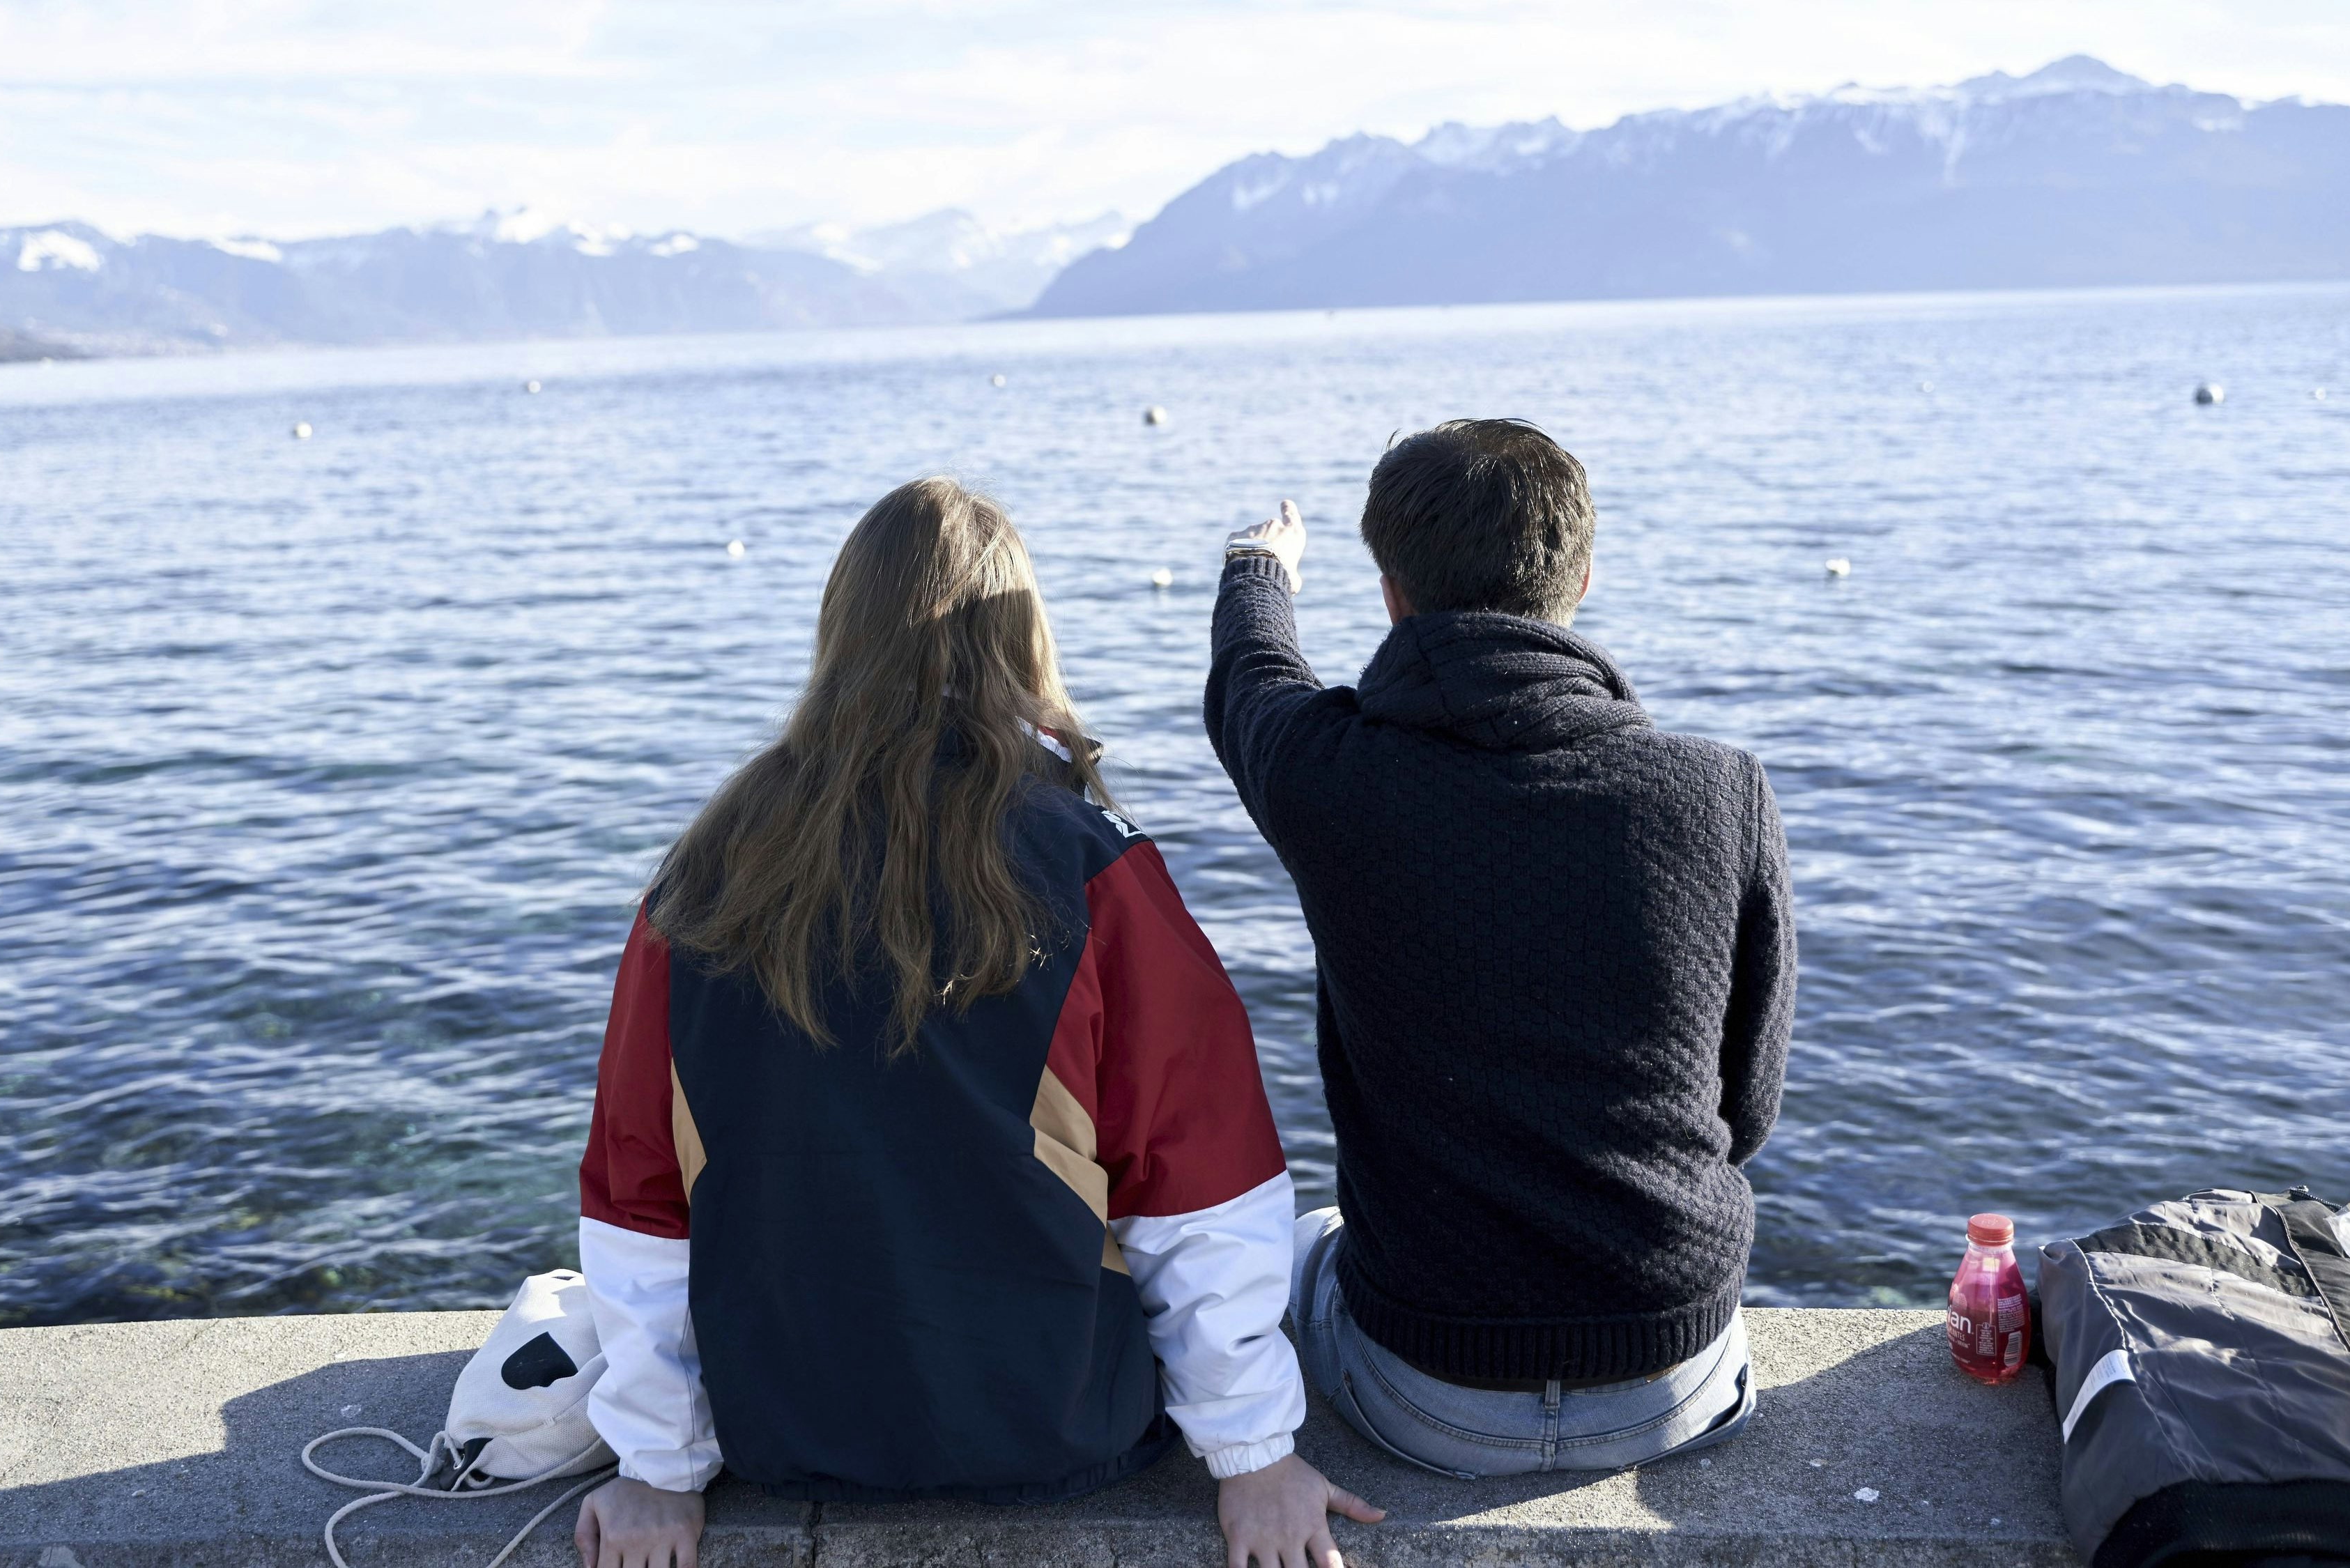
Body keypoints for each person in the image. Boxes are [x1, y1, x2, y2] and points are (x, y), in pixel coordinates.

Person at [570, 478, 1379, 1568]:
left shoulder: (701, 879)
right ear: (1021, 636)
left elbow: (639, 1201)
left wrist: (658, 1467)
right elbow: (1200, 1188)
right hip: (1061, 1422)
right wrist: (1253, 1455)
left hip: (786, 1426)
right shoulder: (1096, 869)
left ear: (840, 631)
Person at [1204, 420, 1795, 1478]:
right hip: (1676, 1379)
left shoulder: (1330, 776)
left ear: (1392, 595)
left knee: (1304, 1238)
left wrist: (1259, 568)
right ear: (1582, 578)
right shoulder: (1720, 792)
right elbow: (1742, 1116)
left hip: (1424, 1395)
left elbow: (1253, 679)